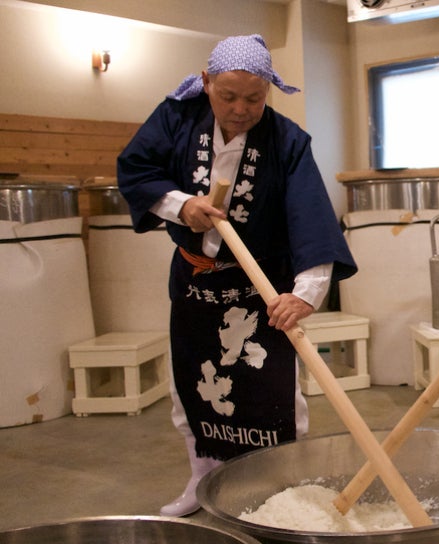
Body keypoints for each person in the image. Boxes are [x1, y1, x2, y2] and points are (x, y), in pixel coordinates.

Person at [118, 34, 357, 518]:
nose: (242, 109)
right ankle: (202, 480)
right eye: (228, 96)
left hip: (260, 287)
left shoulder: (288, 141)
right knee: (193, 382)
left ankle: (282, 488)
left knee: (270, 389)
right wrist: (182, 205)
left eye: (254, 97)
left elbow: (310, 218)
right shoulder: (175, 117)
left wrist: (306, 293)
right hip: (196, 282)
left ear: (269, 89)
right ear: (205, 83)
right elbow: (136, 168)